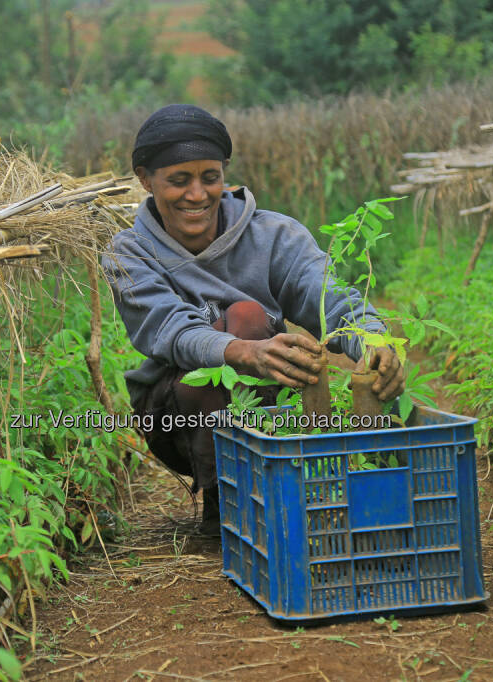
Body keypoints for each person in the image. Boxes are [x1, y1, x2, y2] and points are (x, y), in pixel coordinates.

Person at [102, 104, 405, 533]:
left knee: (259, 327)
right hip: (174, 418)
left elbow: (331, 300)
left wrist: (373, 342)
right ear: (145, 180)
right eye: (178, 180)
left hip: (271, 405)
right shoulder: (128, 252)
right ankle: (223, 499)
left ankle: (297, 485)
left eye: (210, 177)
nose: (197, 194)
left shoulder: (275, 235)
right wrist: (244, 351)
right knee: (245, 317)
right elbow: (171, 329)